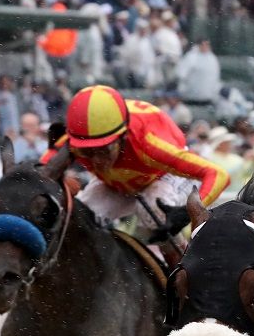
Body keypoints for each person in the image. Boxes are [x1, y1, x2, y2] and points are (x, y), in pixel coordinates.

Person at [48, 84, 230, 245]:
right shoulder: (71, 143)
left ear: (123, 136)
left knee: (154, 213)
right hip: (117, 184)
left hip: (160, 176)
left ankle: (179, 269)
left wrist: (187, 212)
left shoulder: (149, 144)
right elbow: (39, 176)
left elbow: (219, 175)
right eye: (87, 151)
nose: (97, 160)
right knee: (75, 219)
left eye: (103, 150)